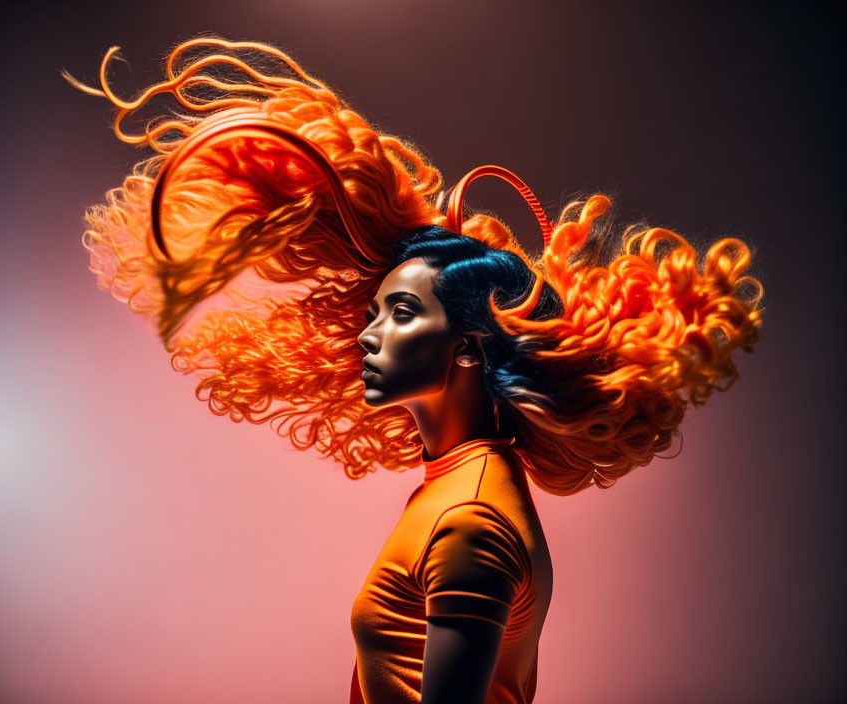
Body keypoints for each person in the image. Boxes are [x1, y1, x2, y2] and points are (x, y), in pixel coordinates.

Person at [66, 36, 764, 704]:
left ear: (466, 344)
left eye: (398, 313)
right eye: (374, 312)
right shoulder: (459, 485)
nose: (367, 336)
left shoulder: (470, 517)